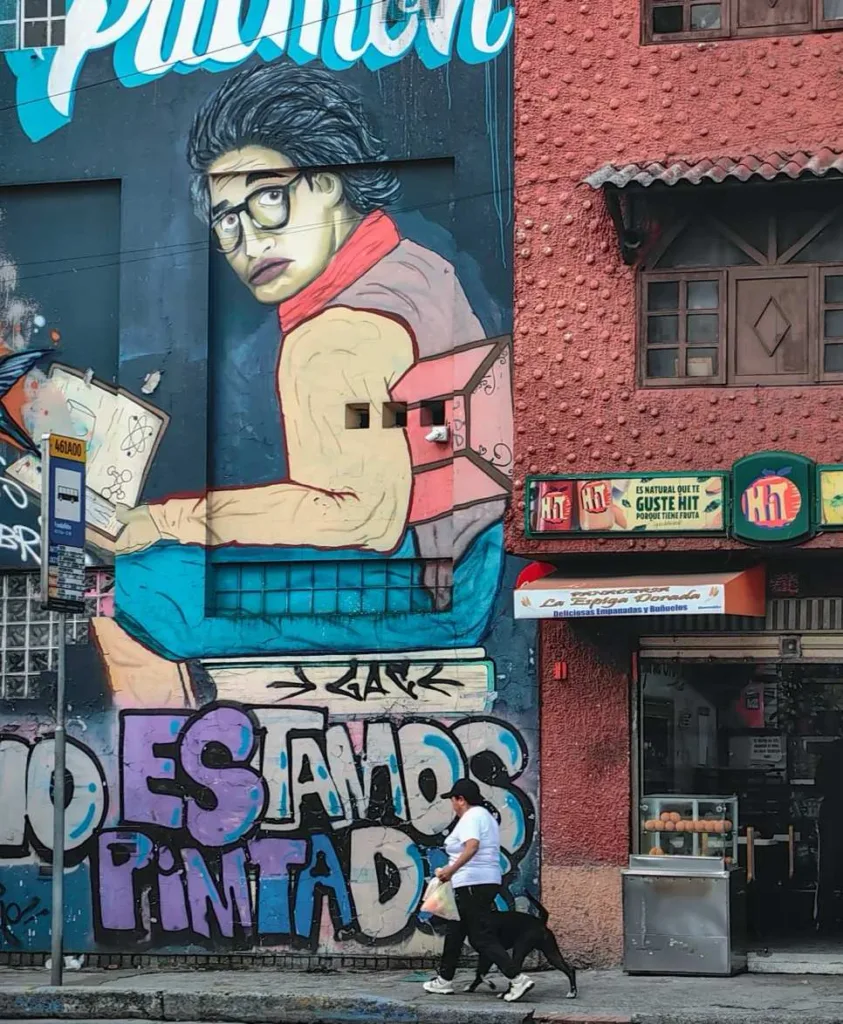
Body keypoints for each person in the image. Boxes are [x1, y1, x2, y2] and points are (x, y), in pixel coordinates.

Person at [423, 779, 534, 1002]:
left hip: (473, 884)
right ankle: (444, 979)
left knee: (479, 936)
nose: (452, 805)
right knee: (456, 929)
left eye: (453, 800)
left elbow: (472, 846)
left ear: (461, 800)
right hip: (482, 881)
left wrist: (450, 870)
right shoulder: (485, 817)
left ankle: (517, 979)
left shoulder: (472, 816)